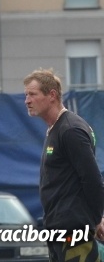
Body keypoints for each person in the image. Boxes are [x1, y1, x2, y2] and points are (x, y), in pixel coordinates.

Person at [23, 68, 104, 262]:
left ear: (52, 95)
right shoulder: (55, 129)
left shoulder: (70, 130)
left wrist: (96, 218)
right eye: (26, 95)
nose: (27, 101)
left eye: (32, 94)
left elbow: (92, 179)